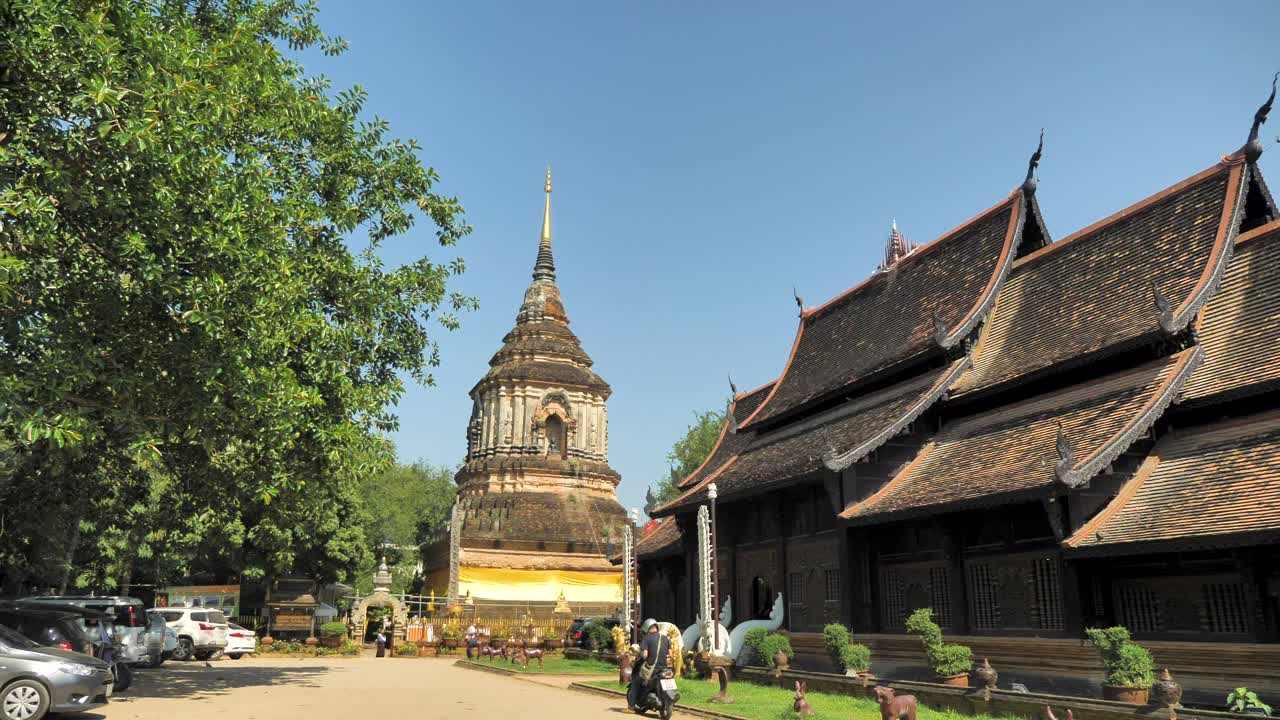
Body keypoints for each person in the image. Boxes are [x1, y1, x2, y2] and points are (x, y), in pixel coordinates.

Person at [627, 619, 669, 711]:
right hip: (663, 669)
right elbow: (670, 654)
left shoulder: (647, 638)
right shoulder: (665, 638)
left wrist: (641, 658)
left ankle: (631, 707)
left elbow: (645, 655)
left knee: (636, 682)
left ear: (647, 628)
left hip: (651, 669)